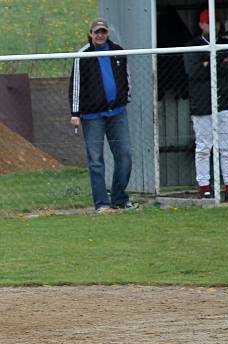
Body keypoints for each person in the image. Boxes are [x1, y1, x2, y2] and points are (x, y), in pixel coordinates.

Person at [69, 18, 135, 212]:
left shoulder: (118, 51)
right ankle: (101, 204)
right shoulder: (83, 55)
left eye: (103, 32)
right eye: (96, 32)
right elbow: (75, 85)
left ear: (107, 33)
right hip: (92, 116)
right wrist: (75, 113)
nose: (100, 35)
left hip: (117, 113)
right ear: (90, 33)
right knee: (96, 160)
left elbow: (126, 78)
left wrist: (125, 98)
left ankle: (119, 198)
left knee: (124, 155)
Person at [184, 9, 228, 202]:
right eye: (208, 22)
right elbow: (194, 71)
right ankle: (204, 187)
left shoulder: (226, 44)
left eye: (215, 22)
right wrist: (215, 62)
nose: (212, 26)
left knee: (227, 148)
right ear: (201, 24)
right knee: (203, 147)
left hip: (224, 102)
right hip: (202, 104)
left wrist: (209, 63)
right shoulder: (193, 45)